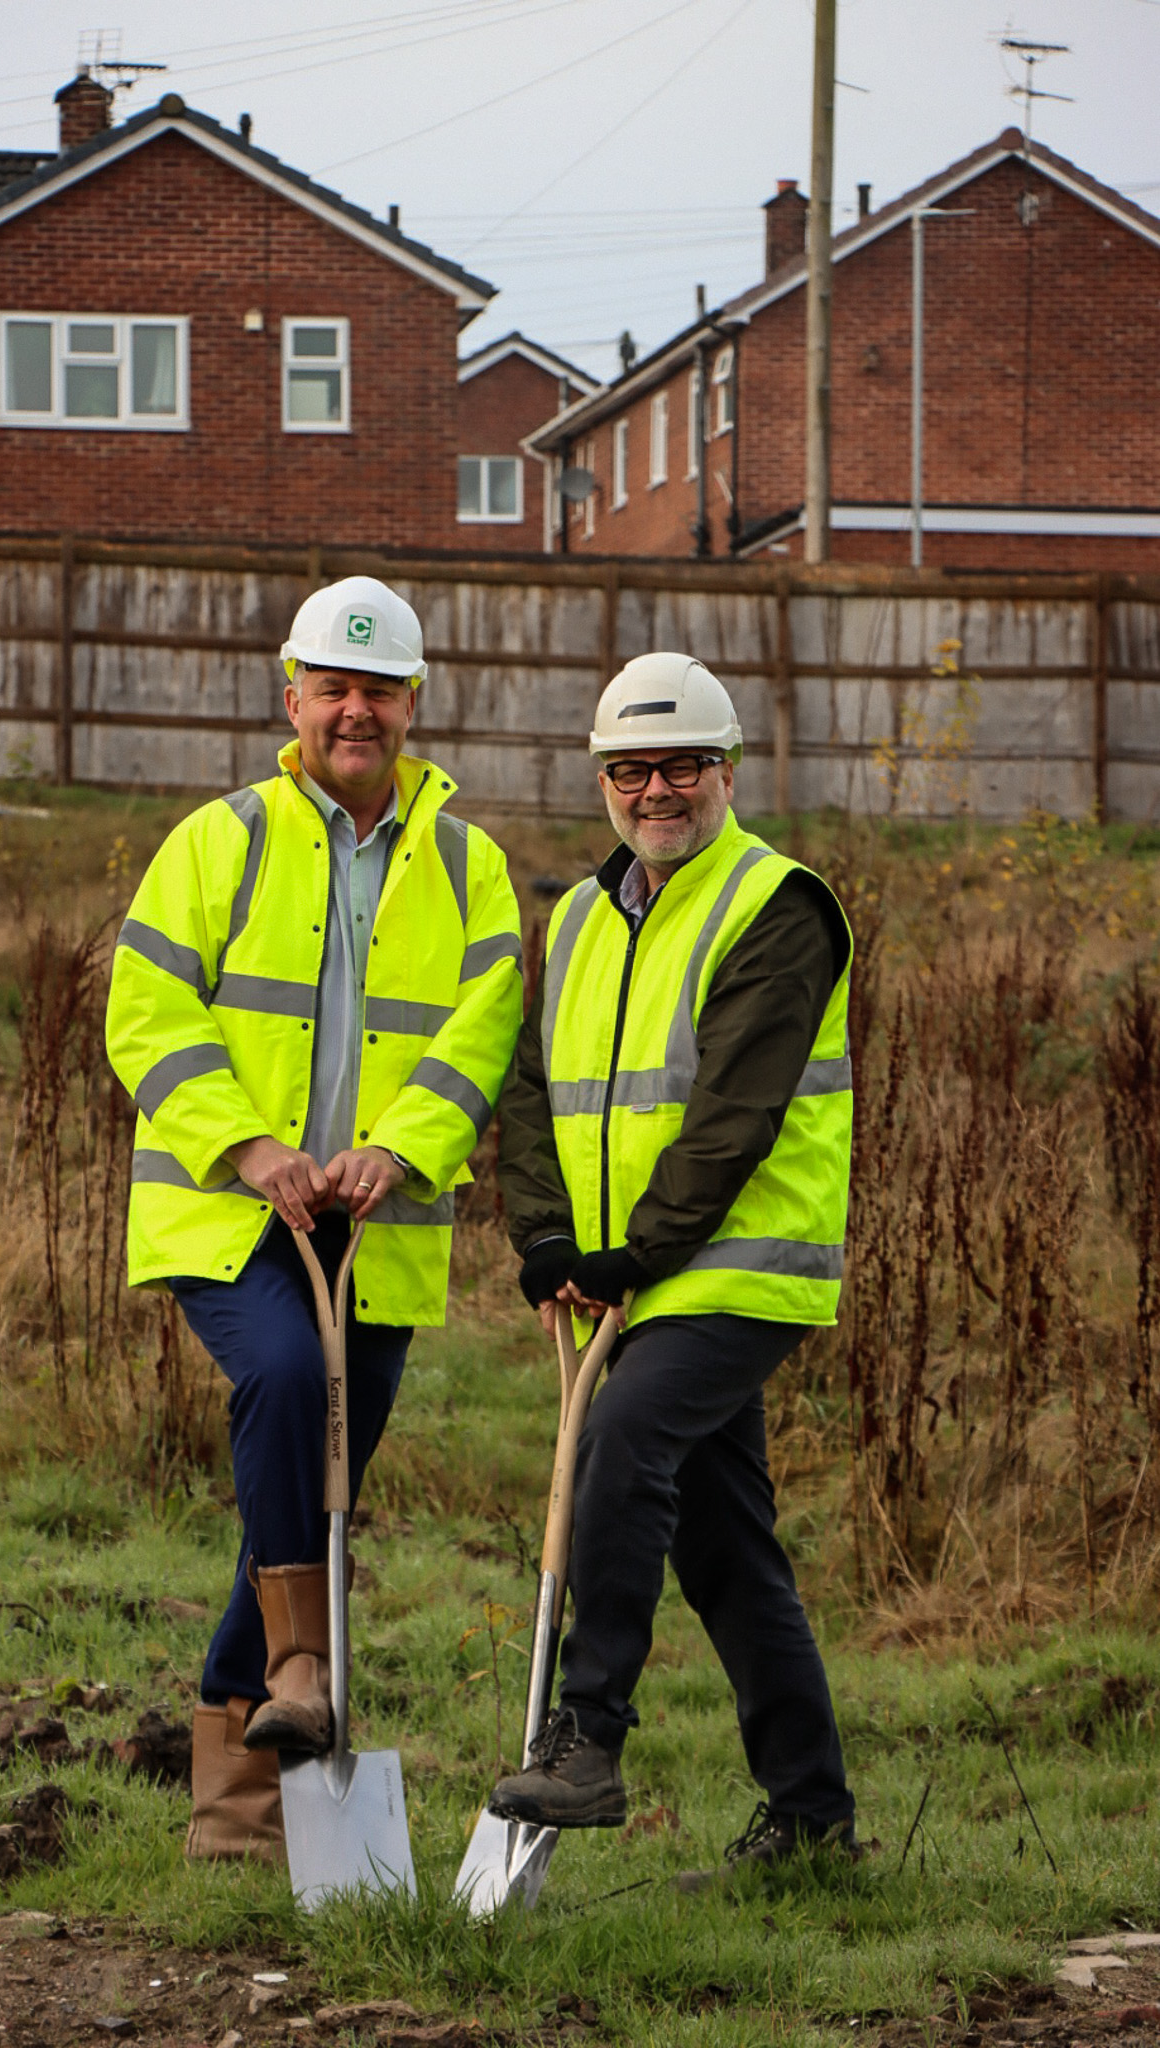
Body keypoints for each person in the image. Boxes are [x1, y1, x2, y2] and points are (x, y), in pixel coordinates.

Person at [106, 575, 523, 1863]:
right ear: (291, 697)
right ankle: (300, 1658)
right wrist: (249, 1144)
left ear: (413, 704)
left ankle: (235, 1814)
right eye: (332, 688)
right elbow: (148, 1010)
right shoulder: (215, 841)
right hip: (235, 1217)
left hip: (376, 1224)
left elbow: (484, 1025)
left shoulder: (469, 863)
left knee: (310, 1492)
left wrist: (402, 1146)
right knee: (285, 1381)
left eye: (378, 689)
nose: (355, 710)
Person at [490, 651, 857, 1869]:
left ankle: (588, 1736)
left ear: (728, 769)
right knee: (722, 1542)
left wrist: (631, 1254)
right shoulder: (584, 915)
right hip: (629, 1278)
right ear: (603, 779)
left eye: (684, 765)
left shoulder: (777, 906)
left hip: (738, 1267)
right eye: (633, 769)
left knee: (626, 1436)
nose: (659, 789)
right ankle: (812, 1820)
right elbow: (532, 1087)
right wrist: (546, 1239)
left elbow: (732, 1120)